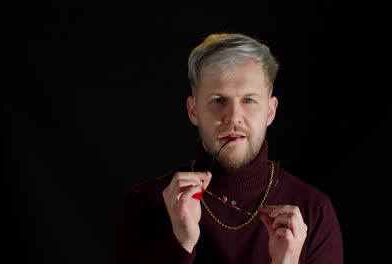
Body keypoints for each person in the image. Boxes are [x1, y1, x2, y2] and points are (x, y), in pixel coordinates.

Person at [114, 32, 343, 263]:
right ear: (193, 111)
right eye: (218, 100)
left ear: (270, 111)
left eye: (249, 100)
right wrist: (181, 244)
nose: (233, 117)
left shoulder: (314, 211)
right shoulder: (146, 203)